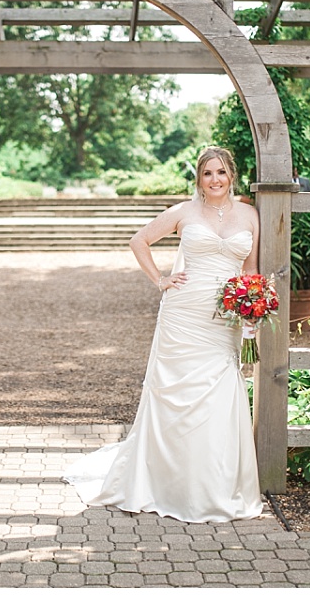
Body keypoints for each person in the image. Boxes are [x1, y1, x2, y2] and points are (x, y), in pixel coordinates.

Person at [63, 146, 263, 523]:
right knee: (176, 395)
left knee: (218, 392)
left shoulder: (250, 215)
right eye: (207, 174)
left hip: (224, 318)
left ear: (231, 175)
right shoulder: (184, 212)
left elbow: (250, 270)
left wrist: (252, 309)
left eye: (220, 172)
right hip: (183, 313)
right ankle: (166, 482)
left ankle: (212, 485)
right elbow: (138, 240)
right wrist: (161, 280)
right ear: (199, 179)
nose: (215, 180)